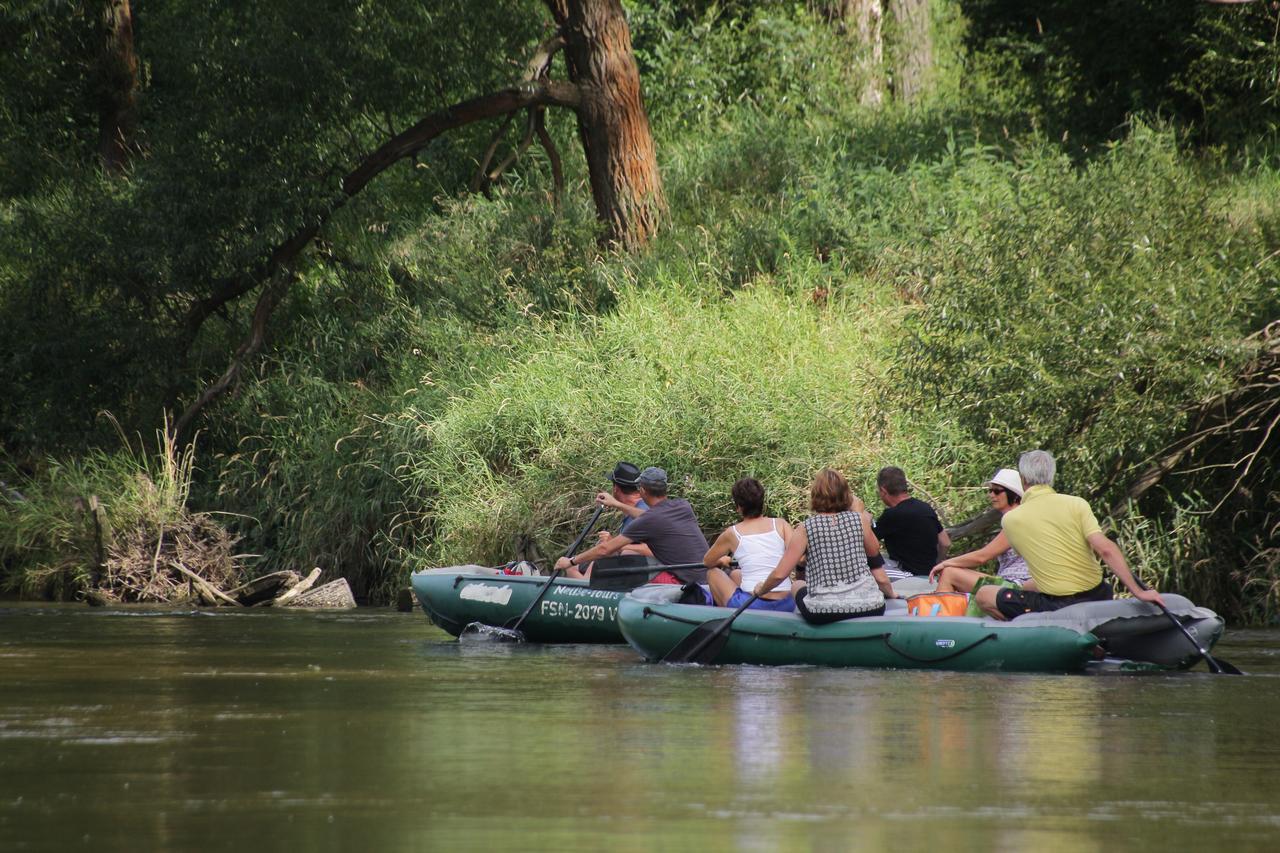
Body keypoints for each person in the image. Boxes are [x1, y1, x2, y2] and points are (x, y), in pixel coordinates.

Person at [972, 450, 1166, 620]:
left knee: (983, 595)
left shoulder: (1011, 520)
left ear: (1023, 479)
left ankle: (1024, 633)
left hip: (1058, 603)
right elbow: (1105, 549)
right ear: (1051, 477)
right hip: (1098, 593)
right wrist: (1139, 592)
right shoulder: (1077, 503)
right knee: (1028, 587)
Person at [754, 468, 899, 624]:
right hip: (871, 606)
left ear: (815, 494)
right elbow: (873, 550)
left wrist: (761, 590)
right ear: (846, 494)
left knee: (797, 584)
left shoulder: (805, 528)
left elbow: (780, 574)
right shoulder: (859, 520)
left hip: (823, 612)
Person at [555, 467, 709, 586]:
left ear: (642, 490)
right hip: (708, 577)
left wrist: (571, 562)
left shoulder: (649, 520)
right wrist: (616, 504)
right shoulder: (683, 506)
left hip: (687, 583)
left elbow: (605, 549)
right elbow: (648, 517)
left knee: (629, 564)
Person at [929, 468, 1033, 594]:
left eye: (997, 491)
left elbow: (982, 557)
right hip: (1010, 582)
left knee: (950, 573)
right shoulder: (1018, 517)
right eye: (990, 490)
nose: (991, 495)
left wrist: (945, 563)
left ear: (1015, 495)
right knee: (953, 572)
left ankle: (939, 612)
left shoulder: (1017, 520)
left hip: (1018, 586)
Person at [702, 478, 796, 612]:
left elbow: (707, 561)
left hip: (753, 605)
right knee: (736, 574)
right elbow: (798, 556)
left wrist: (722, 560)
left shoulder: (732, 533)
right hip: (787, 603)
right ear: (762, 502)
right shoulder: (781, 524)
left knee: (712, 573)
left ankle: (733, 622)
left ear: (738, 507)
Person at [562, 461, 652, 579]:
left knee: (571, 567)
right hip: (632, 568)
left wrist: (613, 544)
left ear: (616, 488)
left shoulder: (642, 511)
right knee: (579, 565)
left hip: (639, 574)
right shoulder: (639, 508)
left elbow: (650, 550)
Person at [873, 466, 950, 580]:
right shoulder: (925, 508)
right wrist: (936, 565)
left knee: (872, 565)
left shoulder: (892, 515)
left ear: (884, 491)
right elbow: (945, 543)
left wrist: (863, 518)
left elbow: (868, 544)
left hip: (908, 575)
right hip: (929, 574)